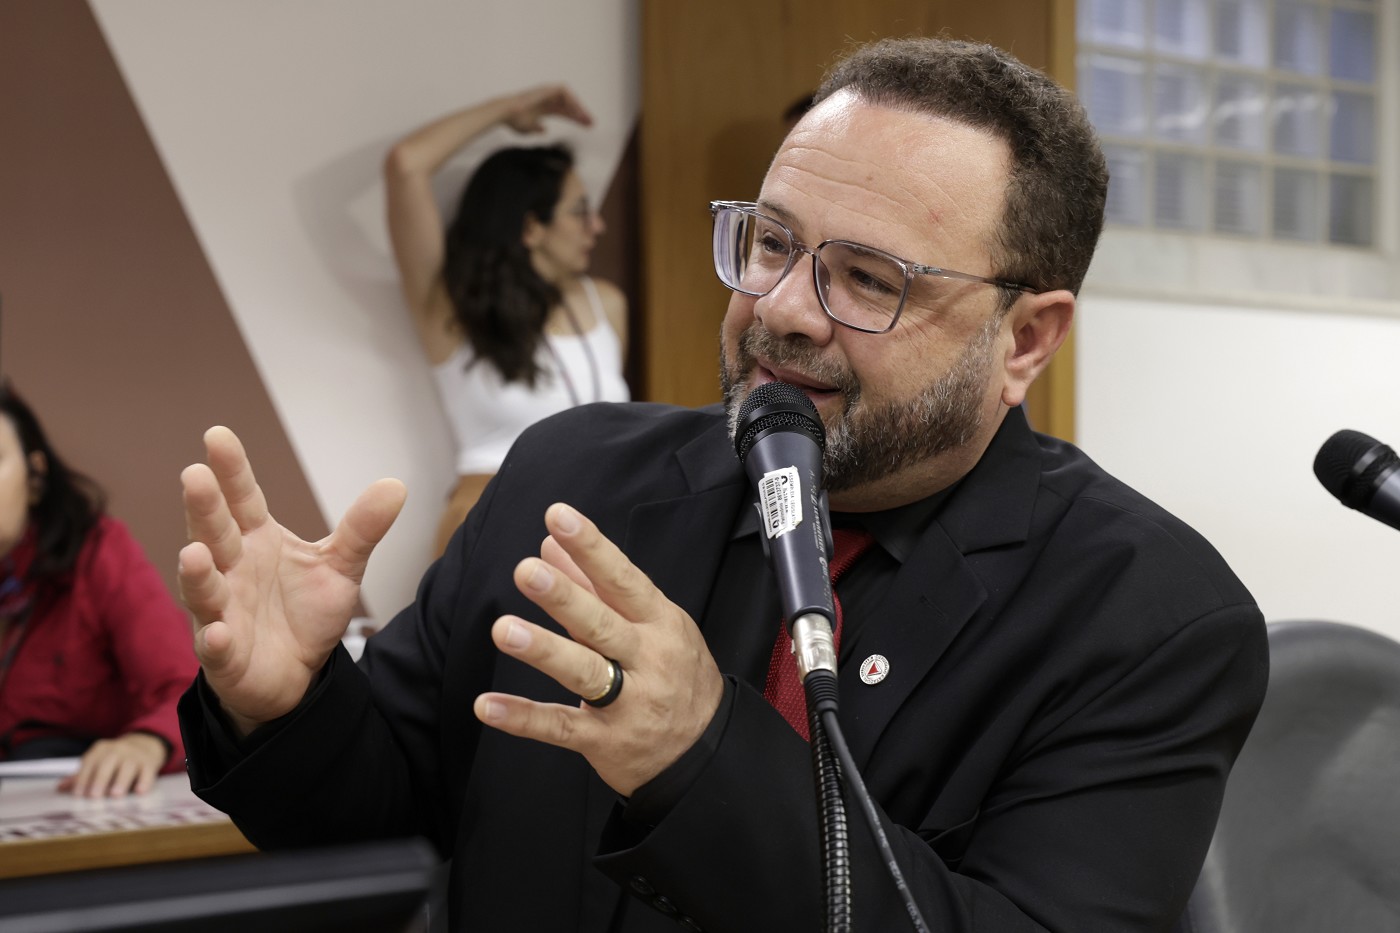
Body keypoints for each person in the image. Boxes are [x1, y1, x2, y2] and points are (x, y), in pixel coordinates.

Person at [177, 38, 1268, 933]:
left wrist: (702, 759)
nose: (782, 308)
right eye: (771, 243)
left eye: (867, 279)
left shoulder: (1146, 615)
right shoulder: (573, 479)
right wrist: (284, 707)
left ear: (1025, 338)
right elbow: (378, 815)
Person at [383, 85, 631, 556]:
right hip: (491, 524)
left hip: (596, 527)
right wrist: (507, 110)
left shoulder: (605, 305)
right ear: (531, 227)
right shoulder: (454, 308)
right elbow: (406, 165)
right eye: (579, 212)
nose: (596, 226)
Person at [0, 383, 197, 797]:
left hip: (78, 797)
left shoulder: (98, 552)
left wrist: (147, 742)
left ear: (35, 477)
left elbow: (183, 688)